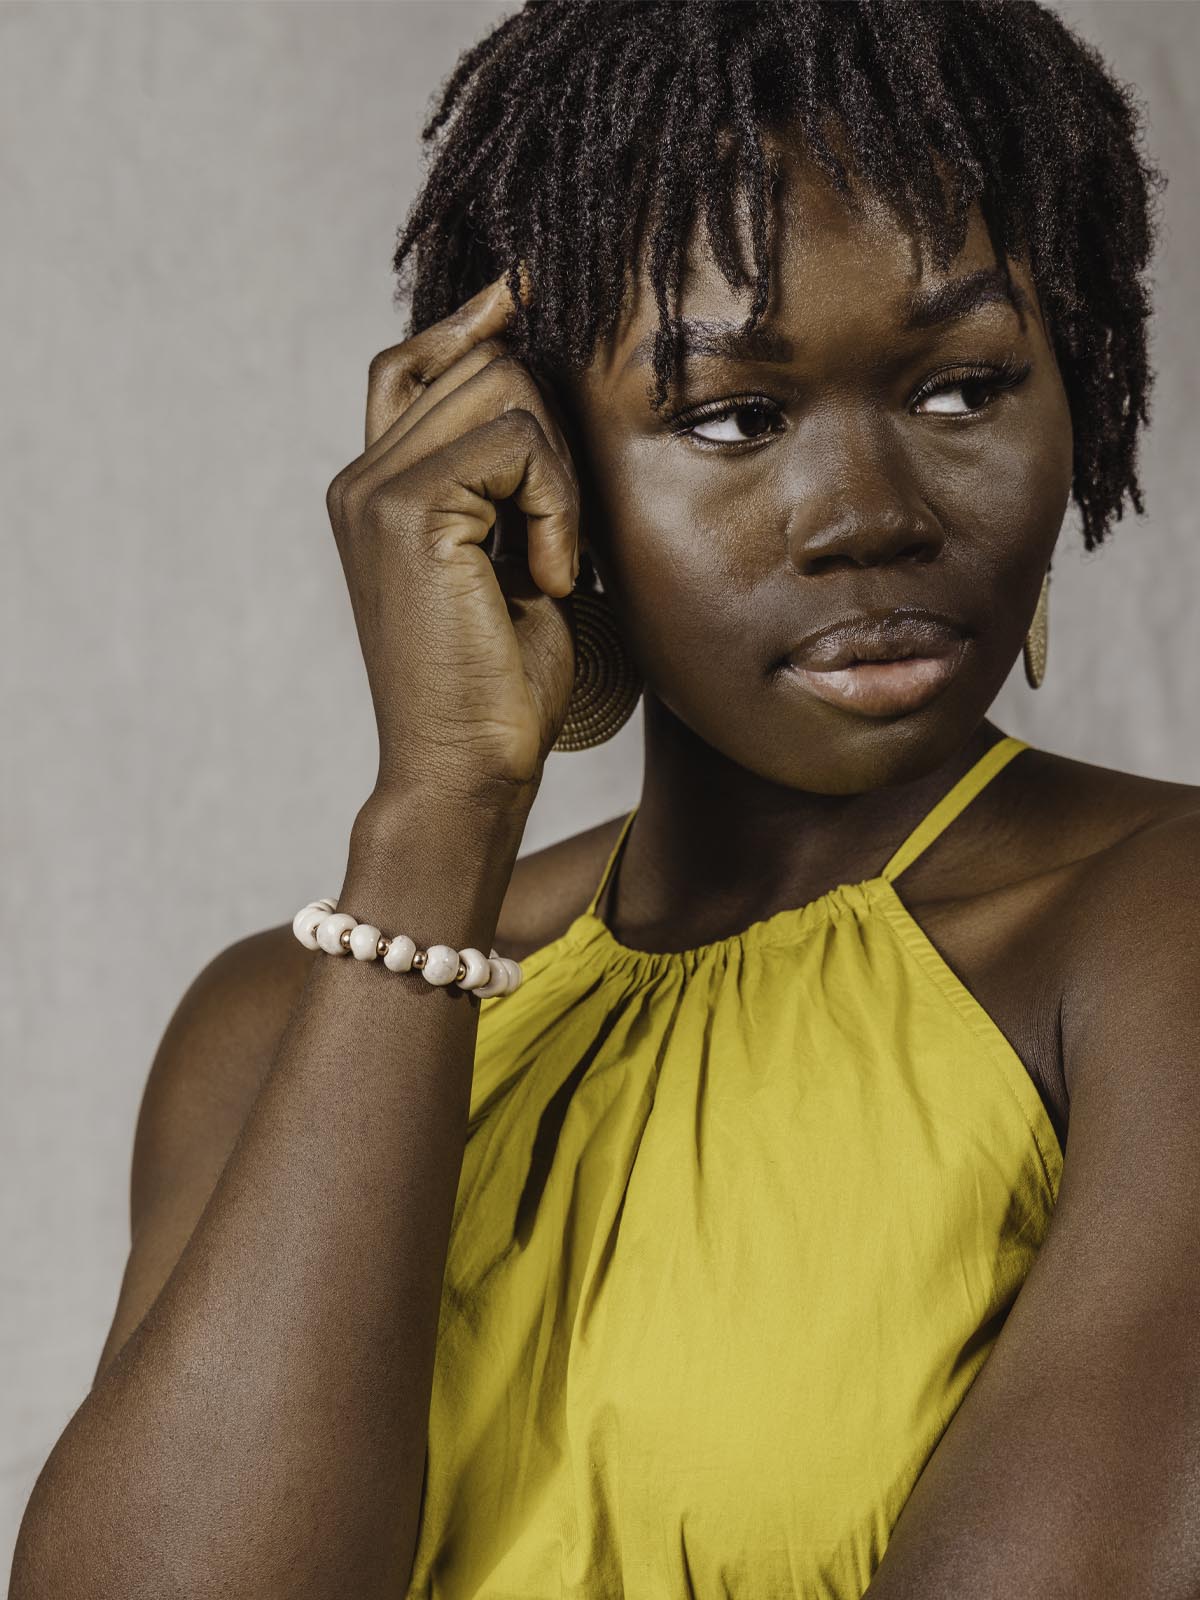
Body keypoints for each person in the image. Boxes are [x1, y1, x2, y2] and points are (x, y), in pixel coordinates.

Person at [12, 2, 1199, 1597]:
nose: (867, 516)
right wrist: (438, 812)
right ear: (528, 461)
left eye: (962, 390)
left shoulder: (1154, 939)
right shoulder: (273, 1031)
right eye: (731, 416)